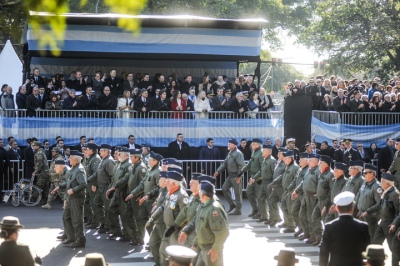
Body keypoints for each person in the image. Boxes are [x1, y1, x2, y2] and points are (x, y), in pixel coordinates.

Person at [180, 181, 229, 266]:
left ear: (203, 195)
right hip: (203, 249)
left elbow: (223, 232)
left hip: (211, 250)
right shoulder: (203, 206)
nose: (198, 193)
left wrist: (215, 249)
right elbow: (200, 227)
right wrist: (194, 243)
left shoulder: (213, 209)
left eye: (199, 191)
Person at [319, 191, 370, 266]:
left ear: (336, 208)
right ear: (352, 208)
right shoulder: (363, 226)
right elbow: (367, 250)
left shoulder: (329, 227)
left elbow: (324, 251)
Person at [126, 151, 162, 245]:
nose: (148, 161)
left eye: (150, 160)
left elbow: (159, 188)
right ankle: (141, 238)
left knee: (152, 223)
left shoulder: (158, 172)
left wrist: (149, 196)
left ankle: (153, 242)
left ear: (156, 161)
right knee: (141, 219)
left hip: (152, 201)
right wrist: (133, 194)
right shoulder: (150, 171)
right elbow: (142, 184)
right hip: (145, 200)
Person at [52, 150, 87, 248]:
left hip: (76, 198)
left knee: (77, 220)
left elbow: (83, 184)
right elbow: (69, 182)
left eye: (71, 158)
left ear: (76, 159)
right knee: (66, 217)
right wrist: (60, 186)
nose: (69, 159)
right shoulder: (73, 168)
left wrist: (73, 190)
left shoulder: (79, 169)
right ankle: (71, 237)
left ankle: (80, 240)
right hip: (71, 198)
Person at [371, 173, 400, 266]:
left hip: (390, 224)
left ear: (388, 183)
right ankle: (376, 263)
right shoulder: (386, 192)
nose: (380, 183)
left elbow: (398, 212)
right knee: (375, 243)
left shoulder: (395, 194)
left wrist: (394, 224)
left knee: (393, 248)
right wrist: (367, 211)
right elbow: (379, 205)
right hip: (382, 222)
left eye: (382, 181)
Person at [269, 150, 300, 232]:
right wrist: (275, 181)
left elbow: (297, 180)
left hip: (291, 191)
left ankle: (292, 225)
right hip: (285, 190)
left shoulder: (295, 168)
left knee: (289, 208)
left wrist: (295, 191)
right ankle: (286, 222)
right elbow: (283, 175)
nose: (284, 160)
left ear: (290, 159)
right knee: (283, 207)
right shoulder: (288, 166)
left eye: (286, 158)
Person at [88, 144, 115, 234]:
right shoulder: (103, 160)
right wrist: (87, 180)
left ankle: (108, 226)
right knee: (95, 204)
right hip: (101, 187)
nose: (99, 152)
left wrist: (110, 189)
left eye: (102, 150)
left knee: (107, 208)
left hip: (106, 187)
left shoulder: (109, 161)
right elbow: (97, 174)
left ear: (106, 151)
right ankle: (103, 222)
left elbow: (113, 176)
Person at [214, 139, 245, 215]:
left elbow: (241, 166)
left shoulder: (238, 153)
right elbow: (224, 163)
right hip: (230, 175)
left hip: (236, 176)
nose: (228, 145)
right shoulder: (230, 153)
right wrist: (218, 171)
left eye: (230, 144)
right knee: (224, 188)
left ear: (234, 145)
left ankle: (238, 209)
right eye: (228, 144)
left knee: (238, 193)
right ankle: (232, 204)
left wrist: (239, 177)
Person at [355, 164, 382, 240]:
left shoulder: (377, 186)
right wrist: (359, 209)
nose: (364, 174)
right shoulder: (364, 184)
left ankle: (372, 251)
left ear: (372, 174)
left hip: (370, 217)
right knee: (363, 237)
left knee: (371, 238)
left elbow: (380, 204)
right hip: (361, 215)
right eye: (363, 172)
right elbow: (359, 197)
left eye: (365, 173)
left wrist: (374, 217)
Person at [240, 138, 264, 218]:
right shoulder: (254, 152)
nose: (251, 145)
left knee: (259, 196)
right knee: (249, 192)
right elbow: (250, 163)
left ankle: (261, 213)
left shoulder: (261, 153)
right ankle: (255, 209)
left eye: (253, 144)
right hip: (253, 176)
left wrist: (257, 177)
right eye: (252, 144)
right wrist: (242, 171)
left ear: (258, 144)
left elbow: (262, 168)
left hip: (259, 178)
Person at [83, 143, 102, 229]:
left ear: (91, 150)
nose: (86, 151)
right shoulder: (90, 158)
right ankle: (90, 219)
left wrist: (94, 184)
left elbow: (96, 173)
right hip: (89, 183)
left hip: (93, 184)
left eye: (87, 149)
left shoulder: (96, 159)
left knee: (94, 203)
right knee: (87, 202)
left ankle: (96, 222)